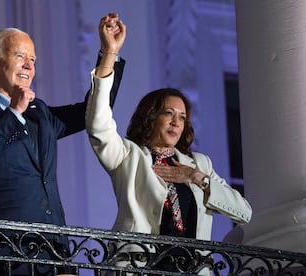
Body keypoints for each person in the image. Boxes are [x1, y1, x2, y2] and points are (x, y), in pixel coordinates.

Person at [0, 13, 126, 275]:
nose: (29, 65)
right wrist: (13, 114)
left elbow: (92, 112)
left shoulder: (39, 113)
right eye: (20, 56)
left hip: (52, 252)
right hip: (0, 256)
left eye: (33, 60)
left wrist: (108, 55)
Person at [85, 55, 252, 274]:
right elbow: (99, 126)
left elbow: (244, 213)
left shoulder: (199, 164)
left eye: (182, 117)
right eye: (169, 113)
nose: (176, 122)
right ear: (151, 117)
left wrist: (197, 178)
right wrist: (108, 56)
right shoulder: (129, 156)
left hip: (191, 269)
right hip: (141, 268)